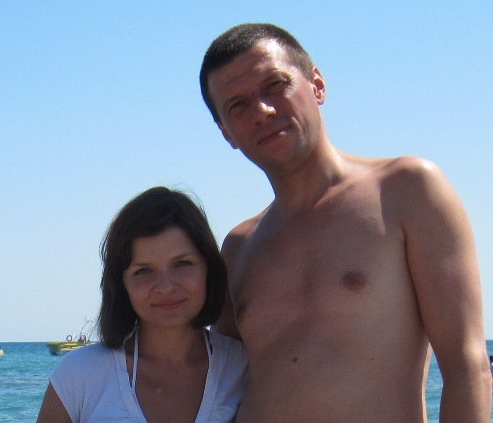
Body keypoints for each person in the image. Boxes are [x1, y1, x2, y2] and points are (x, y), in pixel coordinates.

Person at [199, 23, 492, 422]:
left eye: (275, 85)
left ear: (317, 85)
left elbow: (466, 366)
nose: (262, 111)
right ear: (226, 133)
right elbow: (214, 385)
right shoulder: (238, 247)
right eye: (238, 105)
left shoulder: (407, 191)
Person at [37, 187, 247, 423]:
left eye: (182, 264)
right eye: (144, 271)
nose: (165, 287)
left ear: (209, 268)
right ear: (121, 283)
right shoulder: (79, 374)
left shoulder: (245, 369)